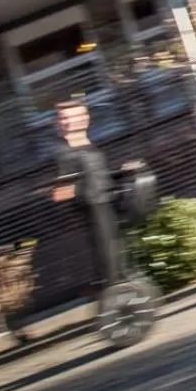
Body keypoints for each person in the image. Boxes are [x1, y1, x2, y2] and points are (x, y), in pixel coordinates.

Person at [49, 95, 126, 287]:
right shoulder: (64, 152)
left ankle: (120, 286)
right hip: (93, 205)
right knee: (107, 251)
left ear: (85, 117)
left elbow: (97, 173)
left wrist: (120, 172)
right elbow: (61, 190)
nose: (64, 122)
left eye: (69, 117)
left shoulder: (87, 144)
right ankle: (115, 290)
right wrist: (71, 191)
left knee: (116, 248)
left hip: (107, 200)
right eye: (62, 118)